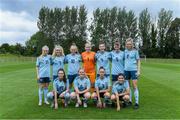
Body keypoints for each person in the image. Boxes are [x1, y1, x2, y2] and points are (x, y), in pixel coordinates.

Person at [124, 38, 141, 109]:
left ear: (132, 45)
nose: (128, 45)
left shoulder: (135, 51)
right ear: (126, 45)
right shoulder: (124, 51)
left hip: (133, 70)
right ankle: (130, 101)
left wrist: (138, 70)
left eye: (130, 44)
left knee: (134, 86)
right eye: (127, 44)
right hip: (126, 70)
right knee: (128, 86)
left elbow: (138, 61)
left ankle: (136, 102)